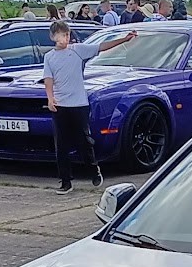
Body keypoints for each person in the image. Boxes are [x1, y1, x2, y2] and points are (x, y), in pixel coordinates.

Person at [42, 20, 137, 194]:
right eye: (61, 35)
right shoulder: (49, 57)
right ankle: (65, 181)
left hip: (78, 104)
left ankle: (93, 170)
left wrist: (124, 39)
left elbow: (102, 47)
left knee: (83, 141)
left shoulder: (78, 50)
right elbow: (48, 79)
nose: (65, 39)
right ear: (53, 37)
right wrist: (50, 98)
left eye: (67, 35)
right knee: (61, 144)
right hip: (60, 105)